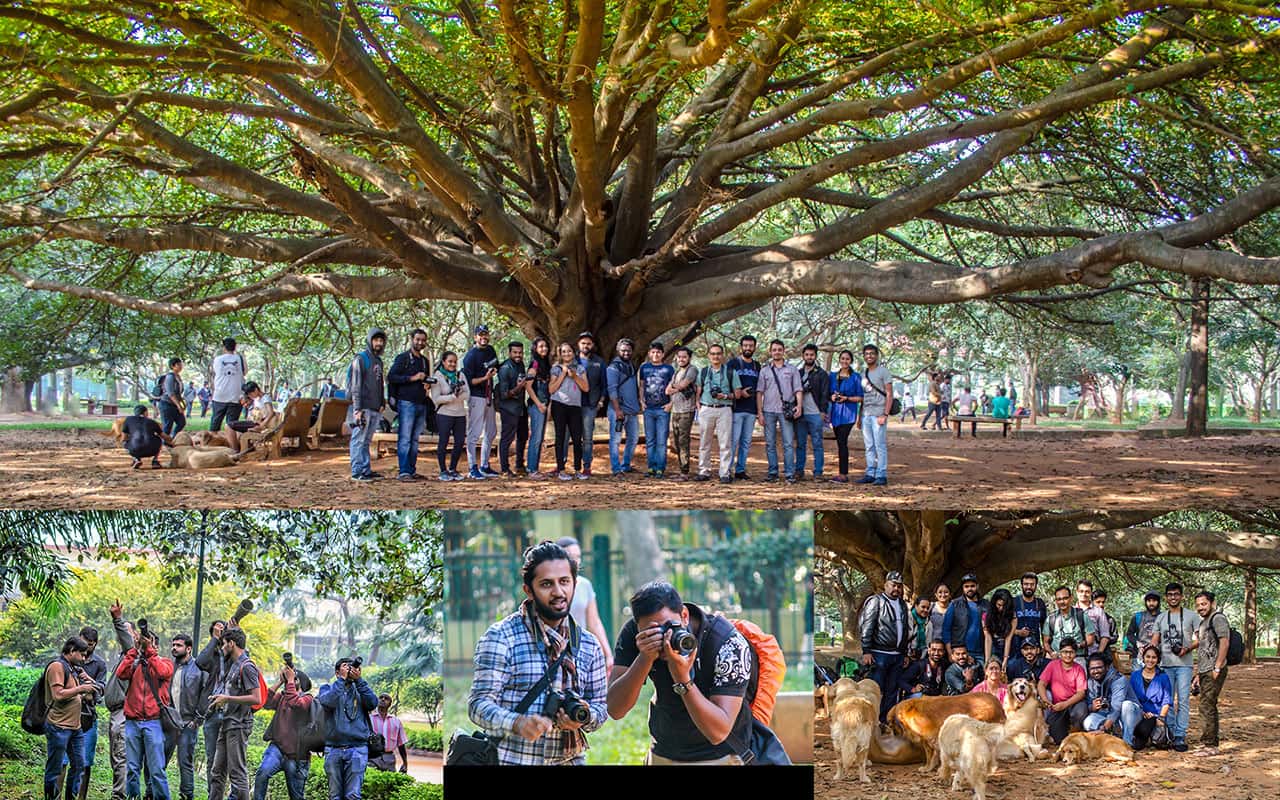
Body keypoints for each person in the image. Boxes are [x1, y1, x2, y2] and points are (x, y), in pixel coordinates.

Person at [468, 541, 608, 765]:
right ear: (528, 590)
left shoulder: (589, 645)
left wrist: (584, 717)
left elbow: (601, 707)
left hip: (571, 759)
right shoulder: (501, 637)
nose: (558, 592)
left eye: (564, 582)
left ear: (575, 583)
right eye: (546, 584)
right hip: (514, 760)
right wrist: (517, 723)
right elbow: (478, 705)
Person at [608, 581, 757, 765]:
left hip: (720, 756)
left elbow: (718, 732)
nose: (664, 638)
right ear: (638, 627)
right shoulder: (637, 636)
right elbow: (615, 709)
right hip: (664, 752)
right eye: (653, 632)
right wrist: (645, 658)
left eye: (669, 627)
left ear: (684, 616)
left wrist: (682, 678)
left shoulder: (727, 643)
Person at [115, 623, 174, 800]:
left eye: (150, 643)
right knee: (132, 768)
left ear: (156, 646)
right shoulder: (134, 664)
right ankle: (133, 797)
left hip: (153, 721)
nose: (146, 645)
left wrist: (150, 652)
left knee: (156, 769)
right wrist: (134, 650)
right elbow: (120, 674)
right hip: (132, 721)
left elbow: (163, 672)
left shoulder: (164, 662)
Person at [206, 628, 261, 800]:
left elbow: (256, 697)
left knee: (237, 774)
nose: (222, 648)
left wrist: (227, 698)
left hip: (238, 725)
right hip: (227, 723)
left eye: (223, 644)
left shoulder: (248, 666)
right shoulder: (234, 665)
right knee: (217, 772)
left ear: (231, 644)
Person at [43, 638, 96, 800]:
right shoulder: (57, 667)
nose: (84, 659)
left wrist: (87, 686)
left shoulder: (73, 668)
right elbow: (58, 695)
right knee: (55, 768)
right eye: (82, 654)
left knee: (79, 765)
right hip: (59, 726)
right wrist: (81, 688)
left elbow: (84, 692)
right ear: (72, 651)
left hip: (75, 727)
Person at [317, 658, 377, 798]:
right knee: (334, 795)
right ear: (337, 673)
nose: (349, 670)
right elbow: (327, 702)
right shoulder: (327, 688)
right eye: (345, 667)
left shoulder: (360, 689)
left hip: (357, 749)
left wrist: (359, 680)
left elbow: (373, 703)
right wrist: (342, 680)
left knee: (353, 795)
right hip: (333, 749)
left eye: (351, 667)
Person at [253, 664, 313, 800]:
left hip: (297, 756)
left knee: (296, 796)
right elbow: (266, 702)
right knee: (262, 773)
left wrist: (290, 680)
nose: (290, 680)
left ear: (300, 683)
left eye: (294, 679)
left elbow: (297, 704)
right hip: (277, 749)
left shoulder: (308, 698)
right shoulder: (283, 696)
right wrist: (280, 681)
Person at [1150, 581, 1197, 752]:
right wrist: (1150, 656)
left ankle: (1180, 735)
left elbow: (1199, 638)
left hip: (1184, 665)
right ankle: (1168, 732)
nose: (1173, 597)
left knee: (1183, 700)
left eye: (1176, 594)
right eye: (1170, 595)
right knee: (1167, 701)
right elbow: (1155, 640)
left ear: (1182, 596)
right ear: (1166, 597)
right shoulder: (1161, 617)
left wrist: (1187, 648)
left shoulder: (1192, 616)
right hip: (1166, 665)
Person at [556, 537, 614, 674]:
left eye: (578, 556)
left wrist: (608, 654)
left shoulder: (584, 585)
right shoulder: (551, 587)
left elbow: (594, 622)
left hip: (579, 650)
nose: (576, 560)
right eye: (570, 556)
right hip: (554, 649)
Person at [857, 572, 910, 721]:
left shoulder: (902, 604)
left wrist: (904, 653)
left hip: (897, 655)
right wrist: (866, 650)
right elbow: (867, 626)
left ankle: (886, 720)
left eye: (899, 586)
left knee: (892, 690)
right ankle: (873, 721)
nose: (896, 589)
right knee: (876, 690)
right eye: (893, 585)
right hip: (879, 654)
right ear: (886, 585)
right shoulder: (876, 601)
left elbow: (904, 630)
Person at [387, 328, 432, 481]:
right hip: (406, 402)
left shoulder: (425, 361)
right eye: (417, 339)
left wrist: (427, 384)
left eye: (423, 340)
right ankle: (404, 471)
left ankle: (412, 470)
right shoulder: (403, 358)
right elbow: (391, 377)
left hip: (421, 402)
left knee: (415, 439)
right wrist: (412, 378)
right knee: (405, 438)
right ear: (412, 339)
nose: (420, 342)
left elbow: (425, 379)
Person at [103, 602, 138, 800]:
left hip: (123, 712)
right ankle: (121, 793)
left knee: (121, 756)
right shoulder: (123, 657)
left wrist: (117, 619)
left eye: (127, 631)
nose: (122, 635)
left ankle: (120, 796)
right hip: (116, 712)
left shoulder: (131, 653)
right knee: (116, 756)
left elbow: (127, 640)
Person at [756, 339, 803, 484]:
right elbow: (759, 392)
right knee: (770, 443)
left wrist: (799, 406)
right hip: (768, 410)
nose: (776, 352)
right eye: (774, 349)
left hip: (786, 411)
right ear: (770, 352)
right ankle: (773, 473)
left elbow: (798, 389)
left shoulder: (792, 369)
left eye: (779, 349)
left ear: (784, 351)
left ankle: (789, 473)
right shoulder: (764, 370)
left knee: (788, 443)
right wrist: (760, 412)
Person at [1191, 590, 1231, 754]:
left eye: (1204, 604)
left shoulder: (1218, 618)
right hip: (1205, 669)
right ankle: (1207, 740)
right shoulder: (1203, 622)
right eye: (1198, 605)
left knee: (1208, 705)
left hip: (1214, 669)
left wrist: (1217, 666)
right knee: (1205, 704)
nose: (1201, 607)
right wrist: (1198, 674)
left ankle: (1210, 745)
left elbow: (1224, 642)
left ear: (1212, 603)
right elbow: (1202, 647)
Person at [165, 635, 204, 800]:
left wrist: (197, 719)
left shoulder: (198, 668)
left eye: (178, 645)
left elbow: (204, 694)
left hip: (188, 722)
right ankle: (151, 793)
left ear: (188, 648)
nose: (174, 648)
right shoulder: (169, 666)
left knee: (185, 762)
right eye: (173, 645)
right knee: (159, 759)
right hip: (169, 721)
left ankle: (186, 796)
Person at [694, 343, 740, 484]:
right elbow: (698, 391)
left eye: (718, 353)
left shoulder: (730, 372)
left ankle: (724, 473)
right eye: (713, 354)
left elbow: (737, 394)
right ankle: (704, 471)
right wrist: (698, 405)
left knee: (725, 443)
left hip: (724, 409)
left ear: (722, 355)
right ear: (709, 356)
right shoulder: (703, 372)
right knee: (704, 442)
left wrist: (724, 396)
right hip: (706, 409)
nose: (715, 356)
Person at [347, 328, 388, 482]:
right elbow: (356, 385)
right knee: (358, 439)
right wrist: (357, 409)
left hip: (375, 407)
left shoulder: (378, 361)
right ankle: (357, 471)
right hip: (362, 406)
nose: (378, 343)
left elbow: (380, 383)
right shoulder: (360, 359)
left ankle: (366, 469)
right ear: (370, 340)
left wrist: (382, 402)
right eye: (376, 340)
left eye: (381, 341)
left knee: (366, 440)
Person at [462, 324, 500, 479]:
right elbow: (469, 381)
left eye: (486, 334)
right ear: (475, 337)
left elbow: (495, 364)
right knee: (474, 433)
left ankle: (485, 464)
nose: (483, 337)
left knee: (491, 431)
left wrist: (493, 371)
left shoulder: (490, 350)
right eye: (480, 335)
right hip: (476, 396)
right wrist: (485, 378)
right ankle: (472, 467)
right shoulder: (470, 356)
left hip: (488, 395)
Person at [550, 343, 590, 480]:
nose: (567, 354)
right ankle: (561, 469)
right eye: (564, 352)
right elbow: (551, 389)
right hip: (559, 405)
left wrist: (574, 376)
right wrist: (563, 373)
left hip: (575, 406)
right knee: (560, 437)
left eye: (569, 351)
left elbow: (586, 388)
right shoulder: (555, 369)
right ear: (560, 354)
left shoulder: (580, 368)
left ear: (574, 352)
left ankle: (578, 470)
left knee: (577, 438)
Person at [1082, 653, 1141, 747]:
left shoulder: (1119, 679)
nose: (1096, 671)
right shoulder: (1090, 682)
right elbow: (1089, 704)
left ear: (1107, 667)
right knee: (1088, 722)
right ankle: (1111, 737)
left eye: (1099, 667)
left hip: (1128, 714)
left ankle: (1126, 743)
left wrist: (1104, 728)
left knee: (1127, 705)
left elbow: (1117, 707)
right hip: (1107, 715)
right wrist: (1092, 707)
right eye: (1092, 668)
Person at [1037, 637, 1087, 745]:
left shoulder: (1079, 669)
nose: (1068, 655)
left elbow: (1081, 693)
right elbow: (1041, 684)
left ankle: (1076, 731)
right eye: (1065, 652)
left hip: (1074, 704)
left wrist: (1065, 704)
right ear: (1060, 652)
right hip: (1057, 705)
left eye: (1071, 652)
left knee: (1080, 712)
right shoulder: (1053, 665)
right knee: (1057, 739)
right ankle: (1064, 729)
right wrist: (1046, 700)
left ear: (1075, 653)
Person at [429, 351, 470, 481]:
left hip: (460, 414)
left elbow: (467, 393)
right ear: (444, 362)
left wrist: (458, 395)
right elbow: (436, 398)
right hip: (444, 414)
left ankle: (453, 468)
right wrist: (452, 397)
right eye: (450, 361)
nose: (452, 364)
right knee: (443, 441)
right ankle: (443, 470)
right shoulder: (438, 376)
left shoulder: (460, 375)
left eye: (454, 361)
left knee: (459, 442)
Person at [638, 341, 675, 478]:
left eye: (658, 352)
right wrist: (641, 401)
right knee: (650, 440)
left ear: (663, 354)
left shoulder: (669, 369)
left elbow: (674, 387)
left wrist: (671, 403)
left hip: (663, 409)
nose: (655, 354)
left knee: (661, 440)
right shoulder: (644, 368)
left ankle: (660, 468)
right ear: (649, 354)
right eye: (653, 352)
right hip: (648, 409)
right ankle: (651, 468)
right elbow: (641, 386)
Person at [793, 343, 830, 480]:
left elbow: (825, 393)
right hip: (801, 414)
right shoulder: (798, 373)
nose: (809, 357)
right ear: (803, 356)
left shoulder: (821, 374)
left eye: (812, 355)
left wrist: (823, 412)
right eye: (807, 354)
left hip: (815, 413)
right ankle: (799, 471)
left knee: (817, 444)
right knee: (801, 444)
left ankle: (818, 472)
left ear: (815, 356)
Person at [727, 336, 761, 479]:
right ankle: (727, 470)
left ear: (754, 347)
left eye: (751, 346)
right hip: (736, 409)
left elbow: (760, 389)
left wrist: (759, 411)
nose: (748, 348)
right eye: (745, 346)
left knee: (746, 442)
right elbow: (726, 385)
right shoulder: (733, 363)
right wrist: (739, 393)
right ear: (741, 347)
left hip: (751, 409)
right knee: (733, 441)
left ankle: (740, 470)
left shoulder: (757, 366)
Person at [605, 338, 641, 476]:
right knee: (615, 440)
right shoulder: (613, 368)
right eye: (623, 350)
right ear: (618, 350)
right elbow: (612, 390)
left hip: (632, 411)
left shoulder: (631, 365)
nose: (626, 352)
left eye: (628, 350)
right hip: (618, 411)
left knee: (633, 439)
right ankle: (616, 468)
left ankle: (626, 465)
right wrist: (617, 409)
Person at [858, 344, 892, 485]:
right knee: (869, 445)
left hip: (879, 414)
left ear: (877, 355)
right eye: (866, 354)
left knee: (880, 445)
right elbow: (863, 397)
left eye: (872, 353)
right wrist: (860, 417)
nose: (869, 356)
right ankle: (870, 472)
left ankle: (881, 474)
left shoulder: (883, 372)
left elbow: (889, 394)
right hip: (866, 413)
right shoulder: (863, 374)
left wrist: (885, 414)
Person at [827, 350, 863, 484]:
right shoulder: (833, 376)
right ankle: (841, 472)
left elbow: (860, 397)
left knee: (842, 442)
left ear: (851, 361)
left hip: (848, 415)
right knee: (839, 442)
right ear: (839, 360)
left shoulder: (856, 377)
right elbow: (828, 393)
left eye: (847, 359)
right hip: (835, 414)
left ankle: (843, 474)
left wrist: (847, 398)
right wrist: (832, 397)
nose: (844, 361)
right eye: (842, 358)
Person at [495, 341, 530, 477]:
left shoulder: (520, 365)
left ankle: (520, 465)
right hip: (509, 408)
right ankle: (504, 468)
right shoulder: (505, 368)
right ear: (509, 353)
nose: (518, 355)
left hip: (521, 407)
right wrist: (519, 387)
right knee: (507, 438)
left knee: (523, 436)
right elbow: (504, 394)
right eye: (515, 352)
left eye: (520, 352)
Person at [1129, 645, 1173, 750]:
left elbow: (1167, 701)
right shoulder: (1135, 675)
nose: (1150, 660)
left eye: (1154, 657)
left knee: (1143, 734)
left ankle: (1148, 738)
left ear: (1158, 660)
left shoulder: (1163, 677)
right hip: (1138, 712)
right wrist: (1142, 712)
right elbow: (1131, 697)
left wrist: (1161, 718)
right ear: (1143, 658)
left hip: (1155, 714)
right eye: (1148, 657)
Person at [576, 332, 608, 477]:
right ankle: (562, 465)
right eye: (583, 343)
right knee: (568, 436)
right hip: (572, 404)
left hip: (590, 404)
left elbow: (604, 384)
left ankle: (587, 466)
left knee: (587, 437)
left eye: (588, 343)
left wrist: (601, 401)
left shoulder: (599, 362)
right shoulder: (572, 360)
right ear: (578, 345)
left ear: (593, 345)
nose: (586, 346)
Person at [666, 347, 698, 478]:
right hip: (676, 410)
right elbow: (667, 391)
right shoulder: (677, 372)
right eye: (679, 357)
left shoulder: (692, 370)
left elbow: (683, 385)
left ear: (689, 358)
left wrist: (675, 387)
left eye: (684, 357)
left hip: (686, 410)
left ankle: (685, 472)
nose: (681, 359)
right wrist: (675, 388)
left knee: (683, 440)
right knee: (677, 441)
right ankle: (681, 469)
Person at [223, 382, 279, 455]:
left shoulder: (265, 398)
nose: (250, 396)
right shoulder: (257, 399)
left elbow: (271, 413)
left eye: (250, 394)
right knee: (233, 429)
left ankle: (234, 452)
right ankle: (237, 450)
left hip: (258, 423)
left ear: (256, 390)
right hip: (254, 421)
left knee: (228, 426)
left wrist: (261, 425)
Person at [525, 337, 553, 478]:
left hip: (544, 404)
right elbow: (528, 387)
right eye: (541, 346)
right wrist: (539, 405)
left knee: (540, 438)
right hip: (537, 405)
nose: (544, 349)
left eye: (546, 346)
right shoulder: (534, 365)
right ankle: (531, 469)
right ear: (535, 348)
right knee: (535, 438)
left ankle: (534, 468)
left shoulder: (545, 364)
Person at [942, 574, 985, 665]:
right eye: (966, 586)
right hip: (960, 653)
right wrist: (950, 653)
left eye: (972, 586)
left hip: (981, 652)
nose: (970, 589)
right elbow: (946, 630)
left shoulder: (985, 605)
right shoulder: (954, 604)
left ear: (977, 586)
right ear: (963, 588)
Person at [1043, 585, 1095, 660]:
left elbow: (1090, 640)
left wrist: (1077, 646)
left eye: (1065, 598)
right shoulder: (1051, 619)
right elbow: (1045, 642)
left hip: (1077, 657)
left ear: (1071, 598)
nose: (1062, 602)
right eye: (1059, 599)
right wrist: (1051, 653)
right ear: (1056, 601)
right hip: (1057, 658)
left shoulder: (1081, 616)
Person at [368, 694, 408, 772]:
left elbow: (401, 744)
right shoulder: (369, 719)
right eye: (381, 697)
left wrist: (405, 763)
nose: (383, 699)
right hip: (371, 758)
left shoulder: (396, 721)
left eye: (386, 698)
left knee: (388, 781)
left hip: (389, 758)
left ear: (390, 704)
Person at [1011, 572, 1047, 654]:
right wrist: (1018, 632)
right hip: (1016, 648)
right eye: (1026, 584)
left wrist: (1044, 646)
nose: (1029, 587)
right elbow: (1004, 626)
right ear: (1021, 585)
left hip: (1035, 648)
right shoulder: (1014, 602)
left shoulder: (1040, 603)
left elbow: (1044, 627)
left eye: (1032, 584)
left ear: (1036, 585)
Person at [1076, 580, 1112, 660]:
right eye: (1081, 591)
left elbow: (1105, 635)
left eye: (1087, 592)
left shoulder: (1098, 611)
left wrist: (1098, 654)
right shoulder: (1071, 611)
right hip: (1075, 656)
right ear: (1077, 592)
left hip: (1093, 654)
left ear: (1091, 593)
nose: (1084, 594)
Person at [983, 588, 1015, 672]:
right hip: (994, 647)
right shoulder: (986, 616)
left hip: (1009, 649)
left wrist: (1005, 659)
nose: (1001, 608)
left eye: (1004, 606)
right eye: (998, 605)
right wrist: (987, 661)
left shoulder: (1013, 617)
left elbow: (1008, 639)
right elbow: (988, 639)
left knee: (1009, 668)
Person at [1124, 591, 1163, 658]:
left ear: (1158, 602)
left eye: (1154, 601)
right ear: (1145, 602)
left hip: (1158, 655)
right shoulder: (1138, 616)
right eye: (1149, 601)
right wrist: (1137, 643)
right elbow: (1129, 634)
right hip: (1140, 653)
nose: (1151, 603)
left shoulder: (1163, 617)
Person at [156, 357, 186, 437]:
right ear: (173, 366)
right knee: (167, 426)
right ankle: (164, 443)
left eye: (181, 364)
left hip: (174, 404)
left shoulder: (178, 377)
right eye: (178, 365)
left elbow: (178, 393)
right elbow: (171, 394)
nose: (180, 366)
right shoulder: (170, 377)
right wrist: (179, 405)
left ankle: (173, 438)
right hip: (166, 404)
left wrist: (182, 403)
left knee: (181, 422)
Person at [1091, 587, 1118, 663]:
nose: (1101, 604)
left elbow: (1115, 636)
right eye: (1098, 602)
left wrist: (1104, 639)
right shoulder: (1087, 617)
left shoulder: (1110, 619)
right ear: (1092, 602)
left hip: (1106, 654)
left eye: (1103, 602)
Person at [910, 595, 932, 659]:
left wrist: (922, 658)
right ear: (916, 606)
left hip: (921, 656)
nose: (925, 610)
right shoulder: (908, 618)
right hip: (906, 655)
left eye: (928, 608)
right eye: (923, 607)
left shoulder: (928, 623)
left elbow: (928, 643)